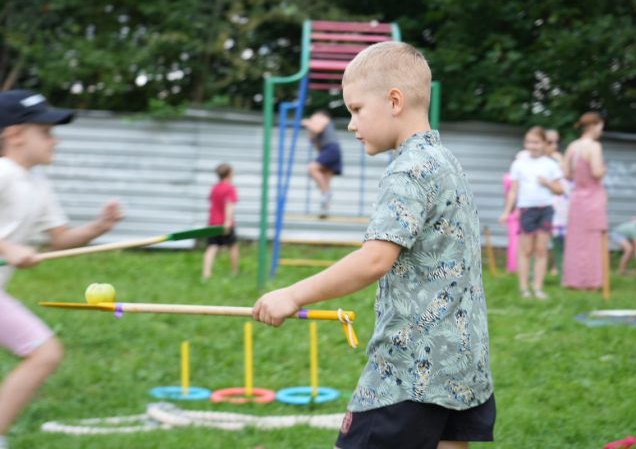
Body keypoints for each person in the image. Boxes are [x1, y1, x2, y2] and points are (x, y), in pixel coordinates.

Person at [253, 42, 495, 449]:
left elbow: (374, 260)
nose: (350, 123)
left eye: (356, 109)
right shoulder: (446, 161)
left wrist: (292, 295)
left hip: (409, 369)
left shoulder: (407, 171)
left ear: (394, 101)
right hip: (463, 360)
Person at [0, 90, 123, 448]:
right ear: (14, 134)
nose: (56, 139)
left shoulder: (38, 185)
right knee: (45, 352)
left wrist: (99, 227)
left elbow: (60, 239)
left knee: (45, 353)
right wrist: (7, 246)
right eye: (46, 131)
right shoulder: (3, 173)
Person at [499, 127, 564, 299]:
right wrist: (506, 212)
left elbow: (559, 190)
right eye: (529, 142)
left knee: (541, 250)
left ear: (543, 143)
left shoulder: (551, 165)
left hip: (546, 210)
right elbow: (513, 191)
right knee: (525, 250)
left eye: (536, 142)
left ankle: (537, 288)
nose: (532, 146)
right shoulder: (519, 164)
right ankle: (523, 288)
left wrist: (547, 184)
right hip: (526, 209)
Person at [562, 112, 608, 291]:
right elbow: (597, 172)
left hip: (577, 199)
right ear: (594, 126)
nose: (600, 132)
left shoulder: (572, 146)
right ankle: (592, 283)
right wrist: (604, 169)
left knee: (576, 240)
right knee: (592, 241)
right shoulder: (594, 146)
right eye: (601, 128)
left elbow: (566, 174)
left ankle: (574, 281)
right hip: (592, 198)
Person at [202, 163, 239, 280]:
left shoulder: (214, 188)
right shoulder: (229, 188)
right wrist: (228, 222)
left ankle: (206, 273)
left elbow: (212, 203)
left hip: (213, 223)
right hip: (225, 224)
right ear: (229, 174)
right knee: (233, 246)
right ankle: (234, 271)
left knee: (212, 247)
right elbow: (229, 205)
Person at [302, 109, 342, 216]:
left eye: (313, 117)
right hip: (327, 150)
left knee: (312, 168)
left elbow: (317, 128)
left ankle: (326, 195)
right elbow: (319, 149)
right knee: (325, 182)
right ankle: (325, 208)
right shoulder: (321, 129)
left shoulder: (324, 119)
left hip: (331, 149)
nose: (312, 119)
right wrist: (313, 139)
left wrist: (307, 123)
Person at [544, 129, 570, 277]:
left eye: (557, 142)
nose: (554, 145)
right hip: (543, 199)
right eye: (550, 142)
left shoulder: (559, 157)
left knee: (558, 234)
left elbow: (565, 177)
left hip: (559, 200)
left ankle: (557, 266)